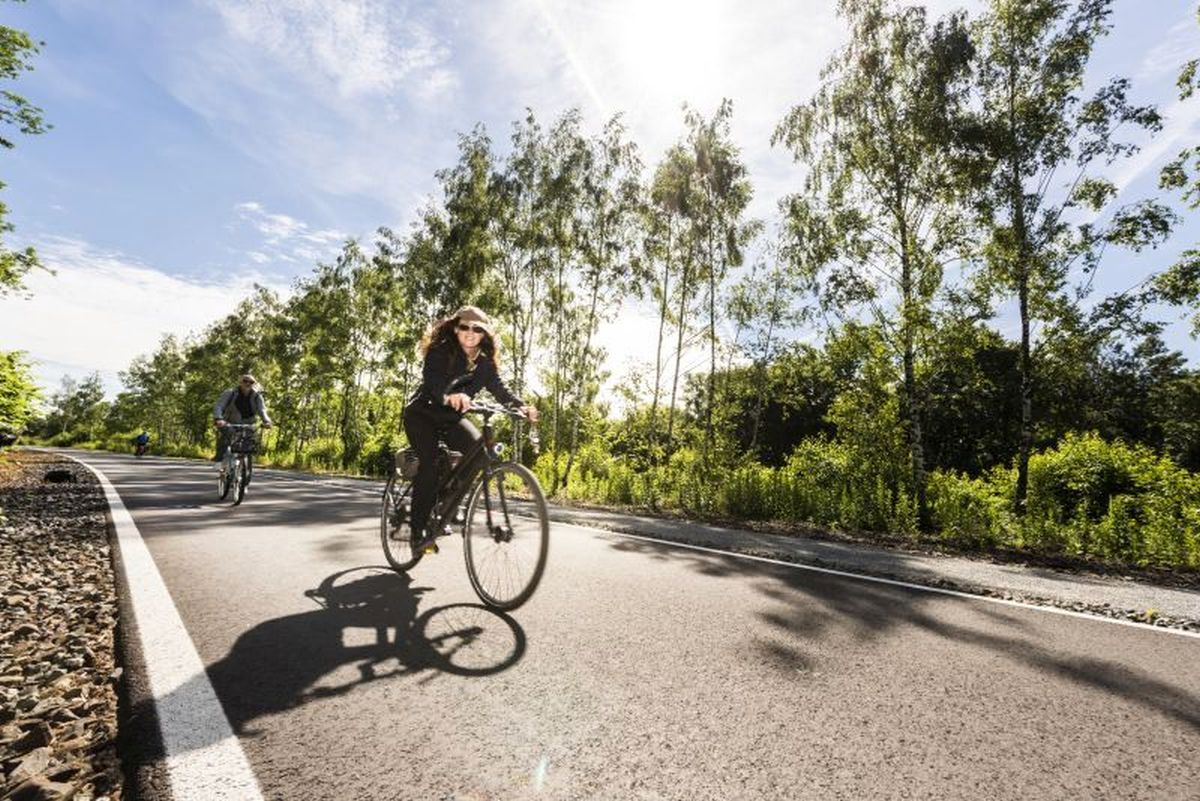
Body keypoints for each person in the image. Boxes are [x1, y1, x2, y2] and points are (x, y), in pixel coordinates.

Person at [403, 305, 538, 552]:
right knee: (430, 464)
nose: (470, 332)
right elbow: (432, 380)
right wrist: (449, 395)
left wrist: (521, 406)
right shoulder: (440, 351)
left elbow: (499, 389)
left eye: (477, 329)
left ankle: (448, 505)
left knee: (479, 452)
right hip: (423, 414)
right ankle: (417, 531)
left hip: (450, 419)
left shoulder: (484, 365)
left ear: (484, 333)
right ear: (456, 329)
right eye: (464, 326)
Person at [212, 373, 273, 468]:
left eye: (251, 382)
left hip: (248, 424)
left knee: (249, 444)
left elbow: (262, 410)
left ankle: (245, 466)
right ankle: (220, 460)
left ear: (254, 384)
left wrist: (267, 421)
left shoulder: (257, 396)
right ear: (240, 382)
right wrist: (218, 418)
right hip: (229, 423)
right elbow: (219, 405)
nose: (248, 383)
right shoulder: (230, 393)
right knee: (228, 435)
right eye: (245, 381)